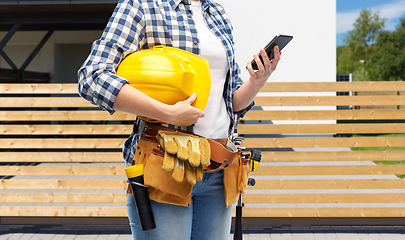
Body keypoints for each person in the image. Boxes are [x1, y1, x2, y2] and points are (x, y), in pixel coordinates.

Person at [78, 0, 281, 239]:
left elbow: (231, 102)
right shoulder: (142, 5)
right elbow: (92, 77)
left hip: (218, 165)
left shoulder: (217, 13)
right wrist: (167, 113)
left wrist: (257, 81)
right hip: (166, 164)